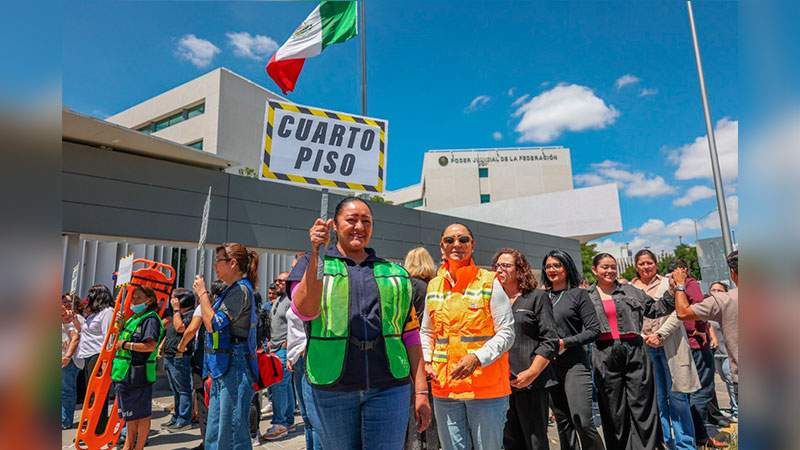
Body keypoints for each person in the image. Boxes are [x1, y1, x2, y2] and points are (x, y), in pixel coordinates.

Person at [289, 196, 432, 449]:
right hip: (331, 389)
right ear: (334, 225)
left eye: (366, 221)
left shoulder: (395, 273)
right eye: (351, 220)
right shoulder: (310, 264)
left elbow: (410, 336)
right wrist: (316, 254)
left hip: (389, 388)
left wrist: (421, 391)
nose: (359, 227)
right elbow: (306, 311)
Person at [420, 223, 514, 450]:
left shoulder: (489, 281)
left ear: (472, 245)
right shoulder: (434, 285)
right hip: (445, 388)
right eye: (449, 240)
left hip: (486, 389)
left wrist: (477, 358)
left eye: (463, 240)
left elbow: (507, 332)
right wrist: (427, 360)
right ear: (442, 246)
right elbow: (427, 332)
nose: (457, 244)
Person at [588, 253, 673, 450]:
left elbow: (656, 309)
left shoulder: (631, 291)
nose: (610, 271)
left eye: (613, 267)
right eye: (605, 267)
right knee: (613, 407)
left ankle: (648, 447)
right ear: (594, 270)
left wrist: (674, 289)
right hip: (603, 352)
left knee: (642, 403)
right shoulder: (586, 296)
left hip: (634, 349)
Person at [192, 243, 260, 450]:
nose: (215, 266)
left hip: (235, 365)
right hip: (223, 364)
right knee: (215, 431)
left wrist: (202, 294)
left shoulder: (241, 290)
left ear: (233, 263)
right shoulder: (230, 290)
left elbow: (212, 324)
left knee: (231, 432)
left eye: (218, 261)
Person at [631, 250, 699, 450]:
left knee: (678, 397)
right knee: (656, 398)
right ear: (636, 266)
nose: (646, 266)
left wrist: (660, 334)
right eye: (641, 263)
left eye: (649, 262)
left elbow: (680, 311)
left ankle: (685, 445)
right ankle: (664, 442)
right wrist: (643, 336)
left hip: (671, 345)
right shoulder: (629, 288)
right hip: (645, 348)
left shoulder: (668, 283)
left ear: (656, 264)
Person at [494, 248, 559, 450]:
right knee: (509, 441)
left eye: (506, 265)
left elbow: (550, 341)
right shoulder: (492, 300)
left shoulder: (536, 297)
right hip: (500, 382)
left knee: (535, 441)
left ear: (519, 270)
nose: (500, 269)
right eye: (497, 265)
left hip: (531, 381)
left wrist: (532, 372)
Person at [540, 250, 604, 450]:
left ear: (566, 268)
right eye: (548, 266)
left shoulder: (578, 294)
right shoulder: (541, 297)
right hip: (548, 367)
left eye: (556, 265)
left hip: (575, 364)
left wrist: (564, 343)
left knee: (582, 420)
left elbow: (594, 330)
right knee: (563, 423)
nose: (552, 270)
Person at [671, 251, 739, 428]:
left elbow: (683, 313)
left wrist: (679, 286)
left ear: (733, 274)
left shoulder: (725, 299)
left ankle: (698, 432)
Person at [665, 259, 727, 448]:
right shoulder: (690, 284)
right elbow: (700, 307)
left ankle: (693, 434)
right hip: (696, 344)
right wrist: (700, 329)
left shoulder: (668, 286)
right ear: (684, 269)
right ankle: (700, 434)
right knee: (702, 390)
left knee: (688, 391)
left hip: (679, 345)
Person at [110, 285, 165, 450]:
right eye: (133, 298)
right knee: (129, 415)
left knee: (141, 414)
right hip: (123, 372)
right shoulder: (133, 318)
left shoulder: (150, 320)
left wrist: (126, 344)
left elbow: (150, 346)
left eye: (138, 298)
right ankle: (128, 445)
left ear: (149, 300)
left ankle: (138, 446)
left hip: (138, 373)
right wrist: (120, 326)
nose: (134, 301)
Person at [179, 280, 226, 450]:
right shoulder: (227, 306)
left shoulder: (205, 307)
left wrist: (181, 346)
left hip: (204, 361)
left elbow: (192, 330)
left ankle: (208, 441)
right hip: (221, 360)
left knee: (204, 402)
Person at [403, 246, 439, 450]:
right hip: (426, 355)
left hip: (406, 352)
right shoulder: (430, 288)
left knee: (411, 407)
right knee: (427, 407)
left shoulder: (405, 285)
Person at [75, 284, 115, 434]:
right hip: (88, 355)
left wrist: (105, 361)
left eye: (92, 293)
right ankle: (92, 425)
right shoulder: (94, 314)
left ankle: (98, 428)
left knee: (97, 394)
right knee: (90, 394)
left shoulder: (107, 312)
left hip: (97, 356)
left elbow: (108, 336)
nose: (88, 297)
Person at [262, 271, 296, 440]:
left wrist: (288, 343)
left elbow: (296, 323)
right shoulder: (278, 300)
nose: (278, 283)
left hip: (283, 349)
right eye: (276, 281)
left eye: (282, 281)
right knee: (285, 386)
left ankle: (280, 423)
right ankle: (288, 420)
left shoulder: (291, 300)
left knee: (279, 386)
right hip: (275, 348)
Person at [286, 306, 323, 450]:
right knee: (307, 418)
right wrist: (290, 354)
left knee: (314, 419)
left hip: (309, 357)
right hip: (298, 360)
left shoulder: (314, 296)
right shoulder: (294, 298)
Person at [160, 288, 196, 432]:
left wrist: (176, 310)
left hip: (180, 356)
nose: (172, 301)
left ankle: (184, 419)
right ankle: (176, 417)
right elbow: (170, 332)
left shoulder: (190, 314)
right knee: (175, 390)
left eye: (175, 298)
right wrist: (162, 346)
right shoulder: (177, 314)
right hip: (169, 355)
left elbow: (180, 328)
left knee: (183, 389)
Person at [707, 281, 738, 421]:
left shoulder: (730, 307)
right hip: (716, 353)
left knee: (731, 380)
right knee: (725, 379)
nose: (716, 293)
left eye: (719, 290)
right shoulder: (708, 309)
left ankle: (736, 410)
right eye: (713, 290)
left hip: (728, 353)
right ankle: (733, 406)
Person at [61, 293, 83, 430]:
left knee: (66, 390)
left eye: (68, 301)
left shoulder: (76, 319)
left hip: (70, 360)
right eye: (63, 301)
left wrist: (67, 356)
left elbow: (76, 338)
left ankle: (65, 420)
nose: (66, 304)